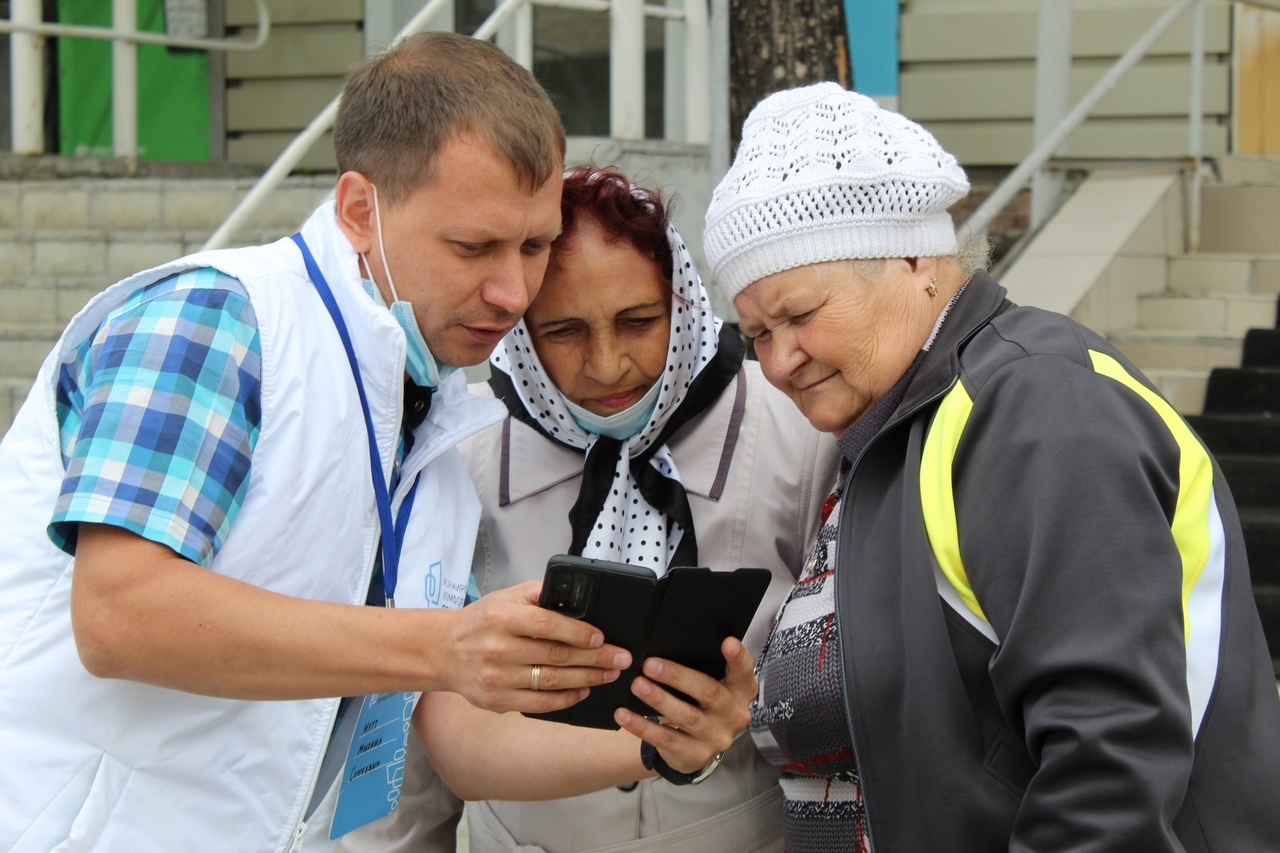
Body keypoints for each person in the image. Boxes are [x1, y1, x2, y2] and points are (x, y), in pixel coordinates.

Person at [0, 33, 637, 852]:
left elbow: (451, 731)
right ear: (357, 208)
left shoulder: (436, 423)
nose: (513, 291)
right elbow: (119, 613)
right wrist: (442, 644)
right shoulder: (211, 321)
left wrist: (662, 744)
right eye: (473, 246)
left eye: (535, 245)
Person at [697, 81, 1280, 852]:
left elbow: (1109, 755)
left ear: (914, 257)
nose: (778, 361)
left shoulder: (1039, 406)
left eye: (800, 315)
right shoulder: (898, 430)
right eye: (756, 333)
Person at [345, 166, 839, 853]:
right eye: (564, 330)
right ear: (520, 331)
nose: (607, 366)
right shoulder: (460, 457)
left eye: (638, 322)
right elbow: (412, 755)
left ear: (686, 302)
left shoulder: (801, 429)